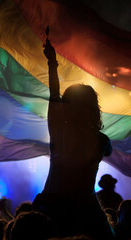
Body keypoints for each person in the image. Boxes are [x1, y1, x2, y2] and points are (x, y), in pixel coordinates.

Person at [33, 39, 115, 240]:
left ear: (65, 106)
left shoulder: (59, 132)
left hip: (52, 207)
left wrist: (52, 63)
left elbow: (53, 94)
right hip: (85, 212)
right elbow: (109, 151)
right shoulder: (102, 140)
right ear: (93, 109)